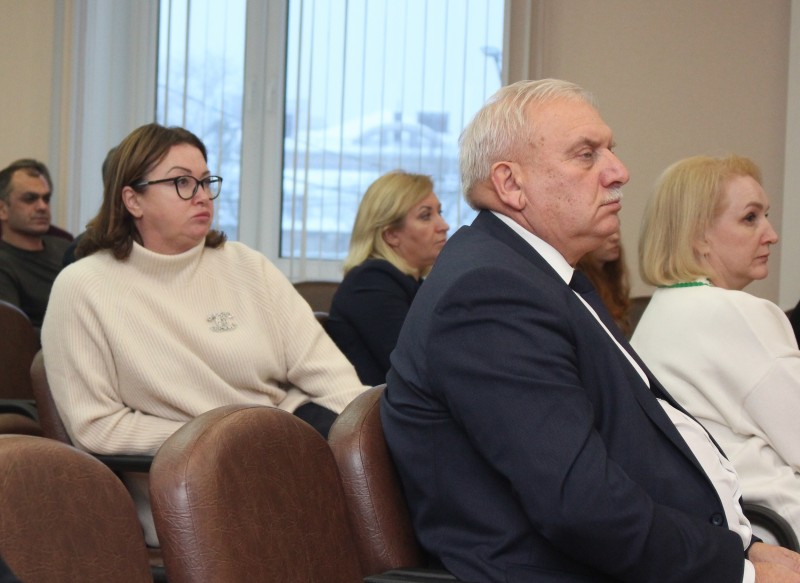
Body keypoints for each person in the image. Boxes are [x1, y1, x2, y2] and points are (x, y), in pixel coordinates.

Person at [380, 79, 800, 582]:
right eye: (586, 155)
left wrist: (746, 549)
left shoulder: (540, 275)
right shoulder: (489, 292)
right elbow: (582, 507)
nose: (619, 171)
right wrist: (739, 570)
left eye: (610, 150)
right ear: (511, 185)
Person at [41, 123, 366, 546]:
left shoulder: (247, 265)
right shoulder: (83, 287)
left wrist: (358, 436)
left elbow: (330, 376)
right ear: (133, 200)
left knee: (392, 459)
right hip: (192, 480)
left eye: (206, 181)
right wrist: (222, 442)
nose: (201, 195)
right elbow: (97, 427)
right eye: (181, 182)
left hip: (287, 447)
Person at [631, 154, 800, 539]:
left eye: (766, 216)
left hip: (724, 532)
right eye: (750, 218)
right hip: (780, 530)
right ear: (698, 235)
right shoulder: (736, 313)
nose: (771, 234)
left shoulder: (658, 313)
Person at [326, 170, 449, 386]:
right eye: (425, 216)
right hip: (370, 406)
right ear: (391, 235)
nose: (444, 226)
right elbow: (417, 369)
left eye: (439, 212)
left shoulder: (414, 285)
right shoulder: (369, 283)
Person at [0, 159, 71, 336]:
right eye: (30, 199)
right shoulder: (3, 263)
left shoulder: (67, 248)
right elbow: (12, 333)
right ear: (2, 209)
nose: (42, 206)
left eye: (46, 198)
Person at [576, 228, 632, 337]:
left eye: (616, 229)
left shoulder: (612, 281)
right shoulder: (578, 288)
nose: (616, 238)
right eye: (605, 231)